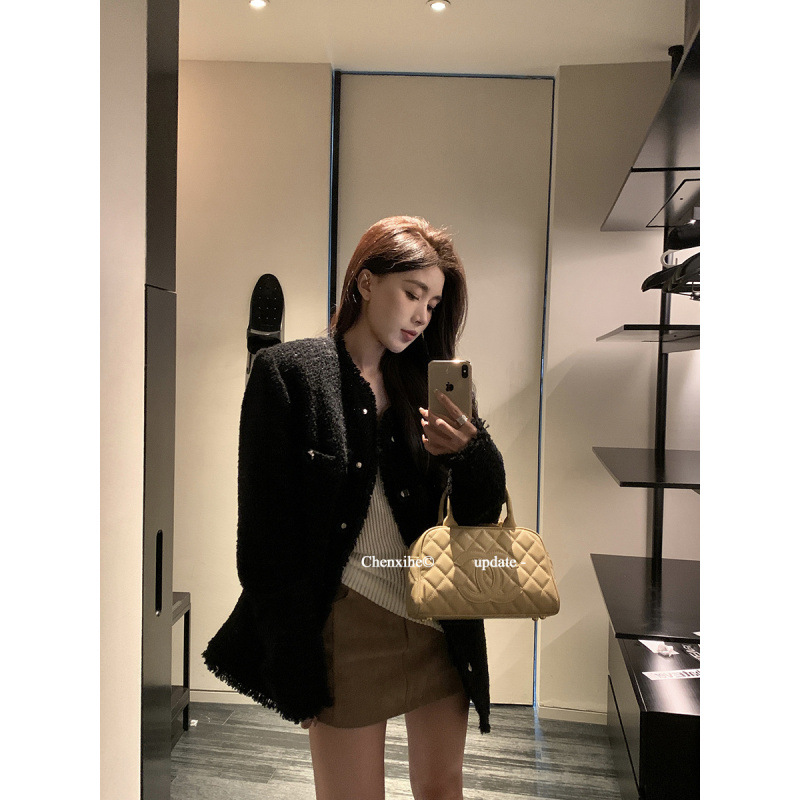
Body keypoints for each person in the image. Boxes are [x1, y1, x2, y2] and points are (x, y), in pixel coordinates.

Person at [203, 216, 506, 800]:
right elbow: (263, 541)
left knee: (443, 789)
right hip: (349, 622)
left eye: (433, 303)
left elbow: (479, 515)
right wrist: (292, 656)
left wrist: (471, 450)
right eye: (412, 293)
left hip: (439, 621)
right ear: (366, 282)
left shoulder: (427, 384)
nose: (423, 315)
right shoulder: (290, 373)